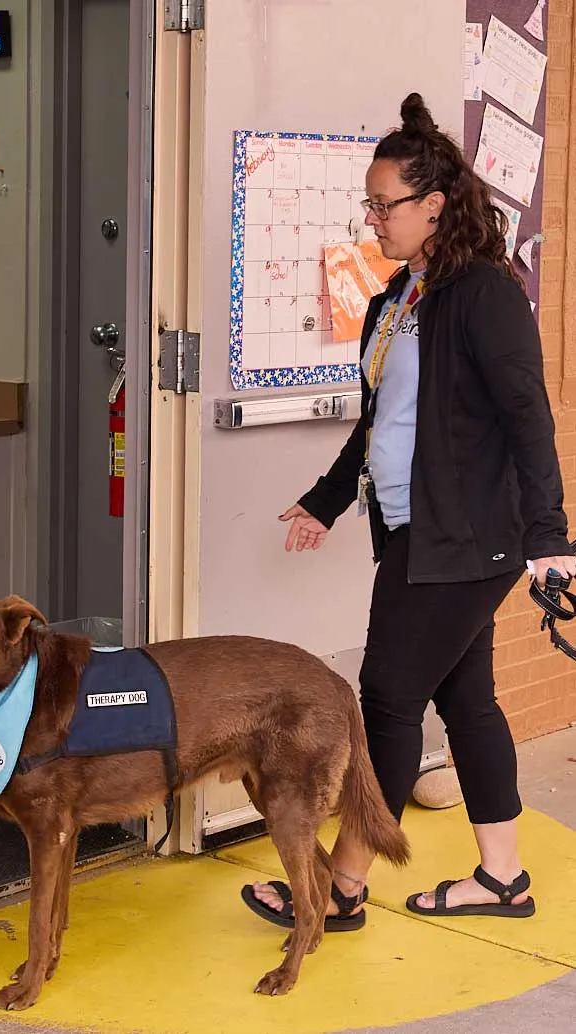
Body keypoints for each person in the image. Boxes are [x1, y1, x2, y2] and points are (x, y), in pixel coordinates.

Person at [242, 94, 574, 930]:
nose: (372, 218)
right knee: (466, 702)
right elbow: (378, 421)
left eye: (382, 204)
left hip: (463, 538)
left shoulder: (482, 294)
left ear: (433, 204)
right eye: (368, 204)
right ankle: (501, 880)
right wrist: (325, 502)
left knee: (387, 702)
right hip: (413, 532)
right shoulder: (400, 296)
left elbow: (527, 416)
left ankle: (342, 886)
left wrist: (549, 536)